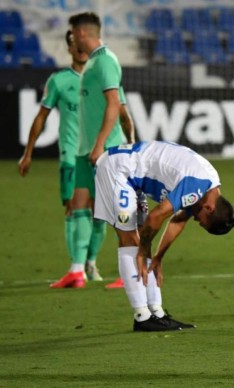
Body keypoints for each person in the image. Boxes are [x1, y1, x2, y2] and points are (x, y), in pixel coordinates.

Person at [94, 140, 234, 331]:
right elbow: (157, 215)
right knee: (130, 239)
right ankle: (142, 316)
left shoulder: (208, 188)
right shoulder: (196, 186)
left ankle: (156, 312)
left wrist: (158, 256)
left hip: (132, 175)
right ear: (209, 208)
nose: (196, 219)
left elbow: (178, 220)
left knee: (143, 238)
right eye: (200, 220)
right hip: (117, 169)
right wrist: (144, 249)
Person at [16, 30, 111, 287]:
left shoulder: (101, 77)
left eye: (83, 43)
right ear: (69, 48)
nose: (80, 48)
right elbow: (41, 117)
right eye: (74, 44)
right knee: (74, 208)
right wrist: (28, 153)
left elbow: (117, 110)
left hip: (99, 155)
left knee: (99, 213)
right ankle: (76, 267)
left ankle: (90, 262)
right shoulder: (58, 81)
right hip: (71, 156)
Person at [49, 12, 134, 289]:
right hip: (86, 151)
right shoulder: (94, 63)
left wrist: (102, 144)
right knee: (78, 205)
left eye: (72, 34)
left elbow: (114, 105)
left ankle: (131, 270)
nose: (71, 39)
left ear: (82, 34)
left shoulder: (106, 62)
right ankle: (76, 270)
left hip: (105, 150)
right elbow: (119, 108)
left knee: (119, 211)